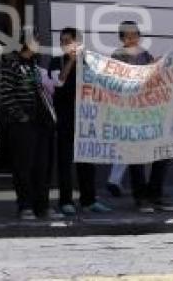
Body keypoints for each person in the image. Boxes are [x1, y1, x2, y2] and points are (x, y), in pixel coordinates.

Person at [111, 21, 173, 213]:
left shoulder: (145, 55)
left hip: (151, 113)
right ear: (122, 38)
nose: (132, 39)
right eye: (128, 36)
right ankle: (140, 196)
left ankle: (155, 193)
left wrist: (156, 67)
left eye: (135, 35)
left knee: (161, 153)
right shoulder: (117, 57)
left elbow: (154, 80)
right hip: (130, 115)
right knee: (136, 157)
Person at [49, 28, 112, 216]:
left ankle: (89, 200)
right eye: (62, 41)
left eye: (68, 40)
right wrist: (71, 61)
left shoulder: (90, 62)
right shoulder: (56, 61)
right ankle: (66, 201)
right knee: (65, 162)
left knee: (87, 161)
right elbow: (59, 82)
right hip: (65, 119)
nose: (64, 44)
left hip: (86, 119)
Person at [1, 28, 58, 220]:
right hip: (22, 125)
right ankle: (25, 206)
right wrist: (21, 116)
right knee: (23, 167)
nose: (38, 43)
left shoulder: (34, 65)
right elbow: (6, 94)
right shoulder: (11, 64)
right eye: (35, 40)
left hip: (40, 123)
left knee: (42, 166)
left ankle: (42, 206)